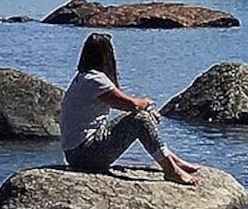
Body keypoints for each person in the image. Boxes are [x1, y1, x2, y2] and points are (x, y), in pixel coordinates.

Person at [60, 33, 199, 185]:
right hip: (84, 155)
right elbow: (131, 104)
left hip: (75, 153)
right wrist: (148, 105)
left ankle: (173, 160)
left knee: (138, 117)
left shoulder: (83, 77)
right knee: (139, 120)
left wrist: (142, 108)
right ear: (107, 55)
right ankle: (171, 170)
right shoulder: (95, 80)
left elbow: (123, 103)